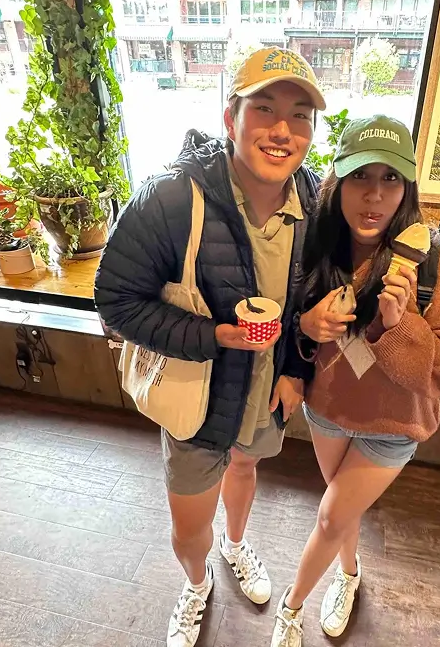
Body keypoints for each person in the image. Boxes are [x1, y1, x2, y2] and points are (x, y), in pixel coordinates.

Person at [95, 47, 325, 647]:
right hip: (197, 394)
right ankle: (196, 583)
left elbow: (313, 299)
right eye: (265, 109)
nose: (282, 129)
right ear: (231, 119)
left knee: (246, 465)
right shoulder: (171, 198)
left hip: (266, 390)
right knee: (187, 527)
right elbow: (117, 301)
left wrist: (297, 365)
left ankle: (238, 541)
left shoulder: (313, 202)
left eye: (300, 115)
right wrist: (214, 337)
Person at [270, 115, 440, 647]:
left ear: (407, 188)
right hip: (329, 409)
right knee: (344, 511)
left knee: (329, 514)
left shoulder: (439, 263)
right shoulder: (317, 244)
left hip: (393, 423)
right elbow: (288, 325)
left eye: (391, 180)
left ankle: (290, 612)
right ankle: (349, 573)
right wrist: (305, 327)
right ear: (338, 179)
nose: (374, 196)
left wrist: (399, 323)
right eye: (362, 176)